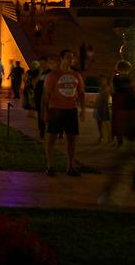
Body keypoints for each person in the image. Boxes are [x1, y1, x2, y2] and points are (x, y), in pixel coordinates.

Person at [99, 61, 135, 208]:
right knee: (129, 167)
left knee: (125, 167)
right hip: (130, 136)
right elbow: (130, 115)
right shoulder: (133, 94)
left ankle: (110, 195)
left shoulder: (133, 93)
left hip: (129, 135)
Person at [41, 49, 85, 177]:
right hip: (56, 109)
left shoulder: (77, 75)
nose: (71, 60)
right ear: (62, 59)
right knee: (51, 138)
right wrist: (44, 111)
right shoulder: (53, 75)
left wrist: (82, 110)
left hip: (71, 110)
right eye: (68, 57)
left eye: (73, 57)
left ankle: (70, 166)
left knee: (72, 139)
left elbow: (81, 93)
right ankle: (50, 166)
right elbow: (45, 94)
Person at [94, 76, 111, 144]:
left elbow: (104, 96)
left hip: (105, 106)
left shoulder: (108, 88)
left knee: (106, 122)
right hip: (99, 106)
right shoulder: (101, 88)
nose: (102, 81)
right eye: (101, 80)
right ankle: (101, 135)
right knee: (99, 122)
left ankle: (109, 137)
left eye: (103, 80)